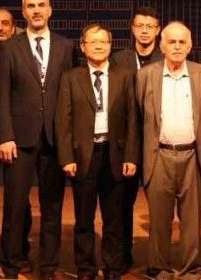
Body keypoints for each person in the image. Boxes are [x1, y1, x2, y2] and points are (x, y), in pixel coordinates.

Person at [0, 0, 74, 279]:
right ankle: (12, 263)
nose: (37, 10)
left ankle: (49, 266)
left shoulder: (66, 46)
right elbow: (1, 95)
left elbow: (72, 94)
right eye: (31, 6)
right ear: (24, 12)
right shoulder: (9, 47)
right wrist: (5, 135)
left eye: (41, 5)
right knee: (15, 205)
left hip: (55, 138)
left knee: (52, 207)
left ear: (50, 10)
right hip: (18, 139)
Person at [58, 23, 139, 280]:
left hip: (114, 155)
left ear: (110, 46)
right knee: (83, 220)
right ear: (82, 47)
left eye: (103, 41)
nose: (98, 46)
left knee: (114, 219)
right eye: (93, 42)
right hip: (83, 157)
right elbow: (63, 121)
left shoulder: (125, 76)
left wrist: (131, 156)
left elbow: (132, 120)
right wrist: (66, 158)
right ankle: (86, 269)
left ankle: (113, 269)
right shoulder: (71, 78)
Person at [136, 21, 201, 280]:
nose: (177, 46)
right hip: (159, 155)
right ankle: (158, 267)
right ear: (162, 46)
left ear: (190, 46)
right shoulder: (146, 75)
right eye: (172, 41)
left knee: (191, 221)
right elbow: (140, 115)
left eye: (183, 42)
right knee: (159, 220)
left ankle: (190, 268)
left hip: (193, 156)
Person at [110, 6, 163, 271]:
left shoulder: (167, 58)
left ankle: (157, 260)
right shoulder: (118, 59)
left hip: (158, 144)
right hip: (126, 144)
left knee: (159, 205)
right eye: (140, 26)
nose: (144, 31)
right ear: (132, 29)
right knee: (122, 204)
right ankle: (122, 257)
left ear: (158, 30)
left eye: (149, 26)